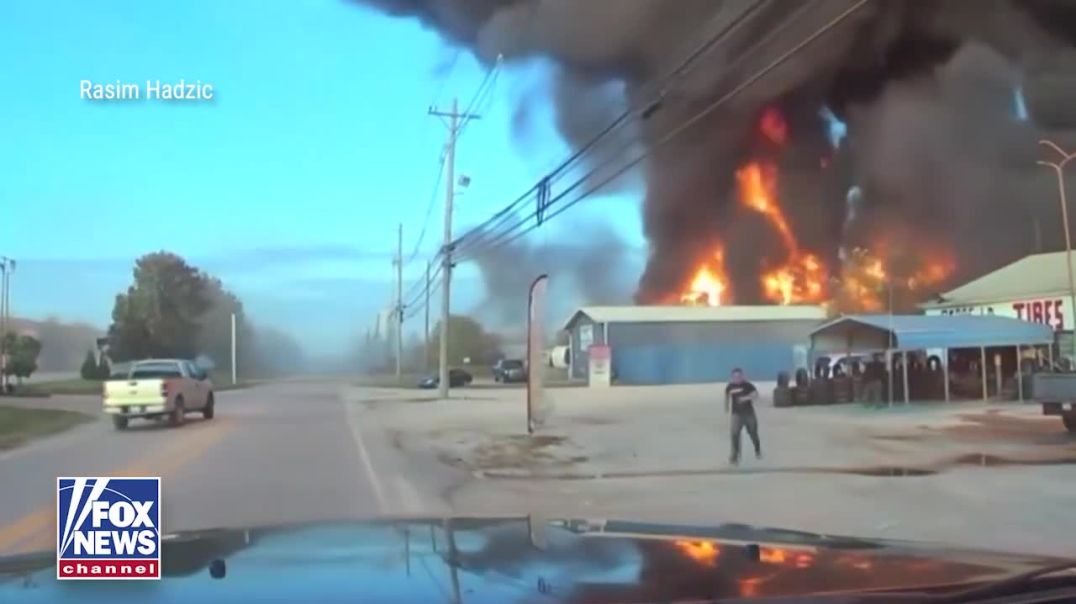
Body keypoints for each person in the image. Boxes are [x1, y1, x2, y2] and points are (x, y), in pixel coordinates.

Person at [724, 368, 762, 465]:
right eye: (735, 377)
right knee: (734, 434)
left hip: (749, 414)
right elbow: (727, 396)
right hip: (736, 414)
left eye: (739, 376)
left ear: (742, 376)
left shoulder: (748, 385)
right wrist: (726, 406)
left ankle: (757, 450)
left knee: (753, 433)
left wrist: (745, 398)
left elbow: (755, 395)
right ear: (732, 377)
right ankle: (735, 456)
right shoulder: (729, 387)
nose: (737, 378)